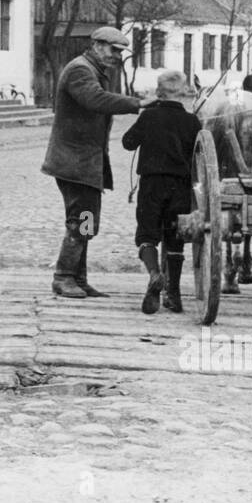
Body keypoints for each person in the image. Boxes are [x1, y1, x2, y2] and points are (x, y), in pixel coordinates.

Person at [41, 26, 153, 298]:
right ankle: (63, 277)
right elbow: (96, 99)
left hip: (84, 163)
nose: (117, 56)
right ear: (97, 45)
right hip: (74, 163)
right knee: (81, 219)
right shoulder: (80, 70)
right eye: (114, 50)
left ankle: (78, 278)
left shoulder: (92, 70)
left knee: (86, 220)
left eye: (120, 52)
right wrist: (138, 103)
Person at [121, 70, 202, 314]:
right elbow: (198, 157)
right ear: (184, 93)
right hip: (180, 186)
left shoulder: (149, 116)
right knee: (174, 238)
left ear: (158, 92)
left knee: (147, 235)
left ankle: (155, 274)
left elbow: (128, 143)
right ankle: (174, 295)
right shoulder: (192, 121)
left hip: (151, 184)